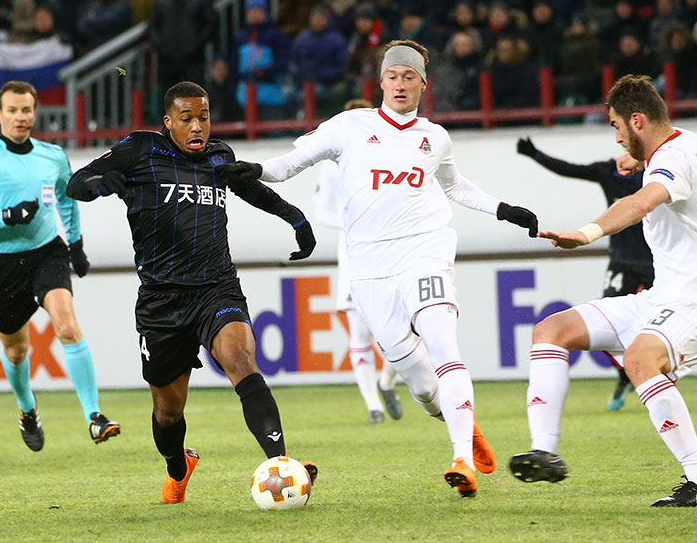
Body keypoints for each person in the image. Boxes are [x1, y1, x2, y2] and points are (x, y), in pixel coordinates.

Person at [220, 39, 540, 498]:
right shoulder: (350, 126)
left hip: (424, 252)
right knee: (420, 383)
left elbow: (454, 185)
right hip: (369, 267)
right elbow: (292, 162)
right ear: (381, 81)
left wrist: (503, 209)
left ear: (424, 84)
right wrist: (255, 169)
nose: (400, 84)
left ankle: (462, 460)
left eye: (410, 77)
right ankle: (466, 428)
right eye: (393, 76)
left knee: (443, 345)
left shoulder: (434, 137)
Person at [66, 81, 318, 504]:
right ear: (168, 122)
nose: (197, 126)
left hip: (216, 287)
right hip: (161, 300)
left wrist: (296, 219)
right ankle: (177, 467)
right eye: (187, 119)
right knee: (168, 412)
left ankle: (282, 463)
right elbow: (77, 182)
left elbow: (249, 187)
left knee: (241, 361)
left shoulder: (219, 156)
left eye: (203, 117)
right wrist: (100, 184)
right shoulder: (141, 149)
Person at [511, 74, 697, 507]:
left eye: (616, 126)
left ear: (637, 121)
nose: (616, 138)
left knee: (639, 359)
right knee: (551, 330)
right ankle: (545, 451)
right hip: (664, 294)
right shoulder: (689, 143)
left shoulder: (672, 158)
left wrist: (586, 233)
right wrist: (642, 156)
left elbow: (638, 203)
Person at [0, 80, 120, 452]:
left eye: (26, 110)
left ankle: (94, 416)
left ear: (34, 113)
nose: (20, 117)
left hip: (46, 253)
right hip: (1, 265)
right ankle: (27, 409)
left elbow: (67, 198)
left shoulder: (52, 156)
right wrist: (5, 216)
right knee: (16, 351)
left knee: (67, 325)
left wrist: (75, 245)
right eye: (12, 110)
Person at [516, 136, 654, 410]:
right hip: (621, 261)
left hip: (656, 260)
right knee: (608, 322)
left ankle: (655, 377)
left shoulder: (656, 170)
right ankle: (624, 378)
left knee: (660, 320)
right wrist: (536, 154)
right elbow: (569, 169)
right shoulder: (607, 170)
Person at [312, 97, 402, 424]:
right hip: (354, 255)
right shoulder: (332, 165)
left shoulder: (391, 156)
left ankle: (386, 381)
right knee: (360, 333)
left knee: (403, 329)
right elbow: (321, 212)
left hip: (392, 251)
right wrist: (353, 223)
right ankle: (373, 405)